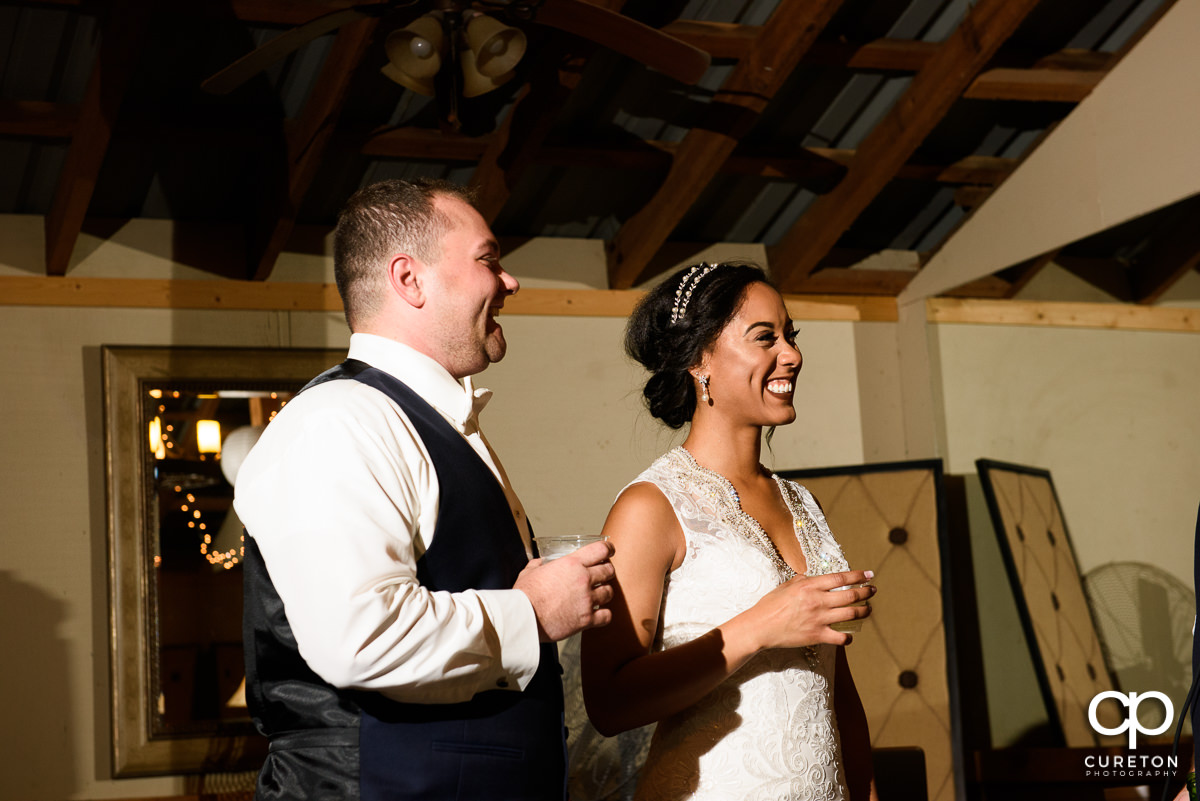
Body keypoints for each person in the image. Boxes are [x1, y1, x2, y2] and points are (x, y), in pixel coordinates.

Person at [233, 178, 616, 801]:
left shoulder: (429, 422)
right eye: (489, 259)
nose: (510, 281)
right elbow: (362, 638)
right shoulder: (339, 422)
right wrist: (532, 613)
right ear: (409, 280)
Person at [581, 262, 879, 800]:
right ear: (699, 360)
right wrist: (762, 625)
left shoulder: (802, 503)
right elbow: (609, 702)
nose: (791, 354)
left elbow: (840, 691)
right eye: (765, 337)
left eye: (790, 335)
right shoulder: (650, 507)